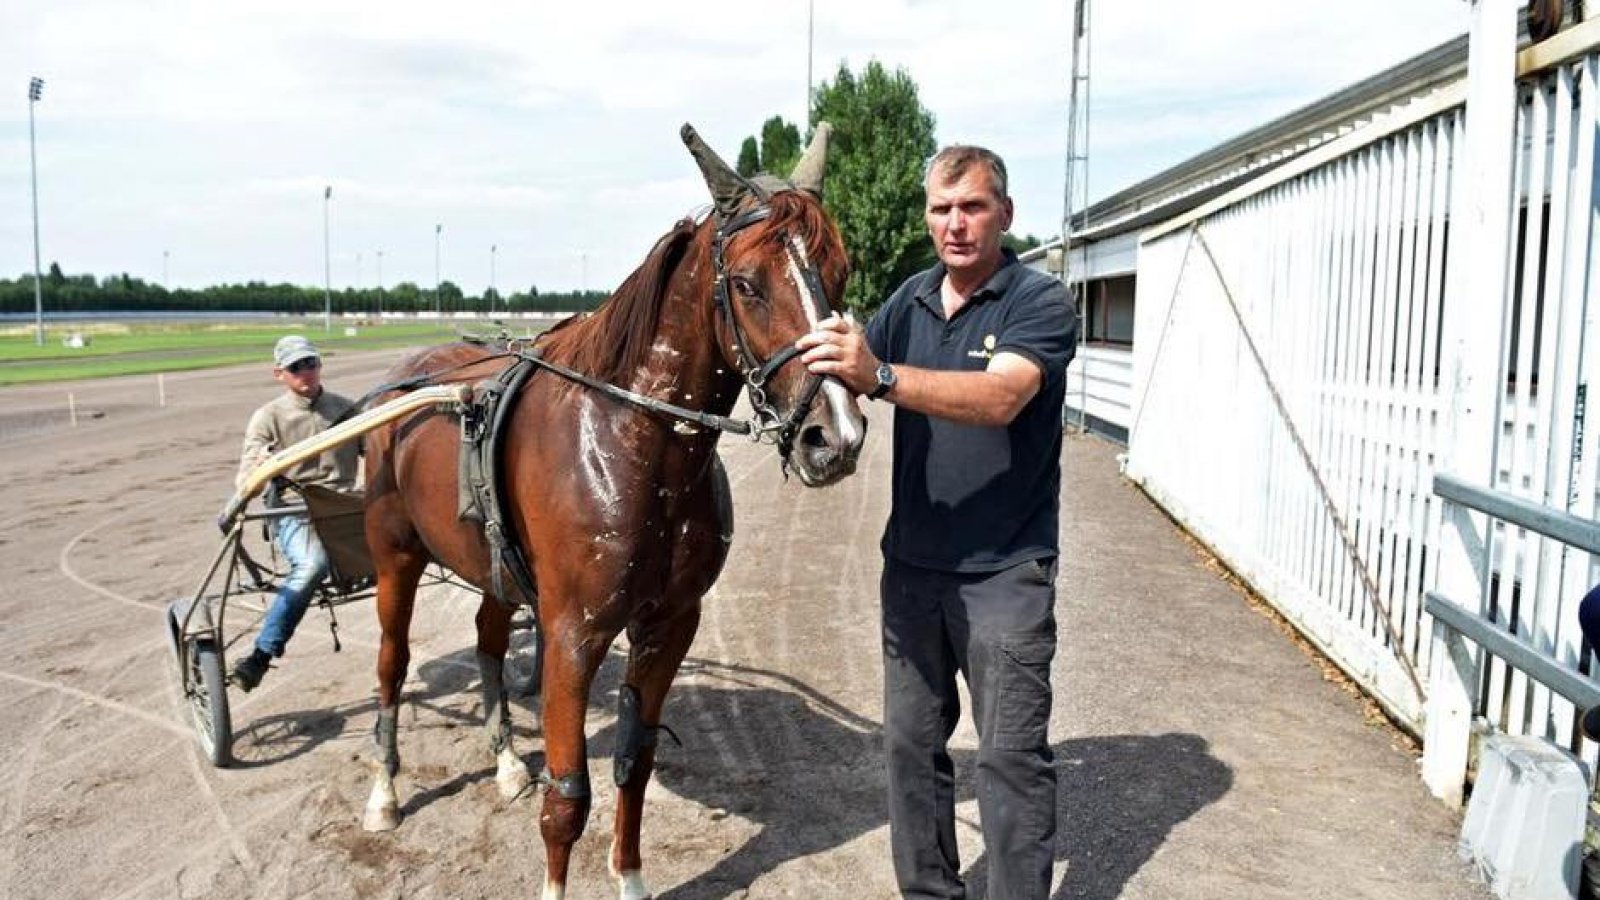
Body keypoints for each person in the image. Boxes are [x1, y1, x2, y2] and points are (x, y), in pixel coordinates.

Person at [797, 145, 1077, 899]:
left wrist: (879, 376)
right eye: (941, 209)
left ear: (1004, 215)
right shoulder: (911, 299)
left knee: (1010, 761)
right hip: (913, 571)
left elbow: (1000, 398)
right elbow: (847, 388)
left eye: (972, 207)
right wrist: (823, 413)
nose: (955, 225)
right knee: (911, 751)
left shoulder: (1038, 301)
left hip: (1006, 573)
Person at [231, 335, 358, 691]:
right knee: (312, 566)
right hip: (295, 509)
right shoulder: (267, 418)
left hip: (346, 505)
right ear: (279, 374)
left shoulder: (347, 410)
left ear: (320, 365)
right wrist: (264, 465)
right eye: (296, 367)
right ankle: (260, 655)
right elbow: (246, 481)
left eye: (311, 363)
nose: (306, 372)